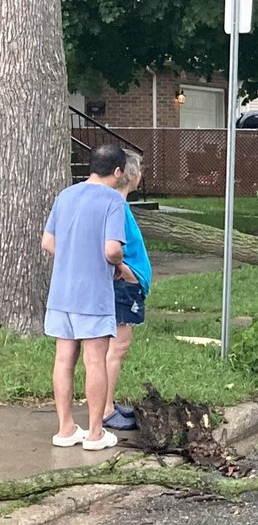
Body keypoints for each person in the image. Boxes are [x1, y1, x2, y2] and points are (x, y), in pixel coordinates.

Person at [42, 143, 128, 450]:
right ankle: (95, 433)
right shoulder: (114, 200)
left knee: (63, 359)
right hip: (92, 294)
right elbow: (112, 249)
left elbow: (48, 242)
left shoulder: (65, 195)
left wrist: (72, 255)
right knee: (94, 361)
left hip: (61, 292)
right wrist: (119, 266)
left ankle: (65, 428)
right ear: (117, 172)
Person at [102, 151, 151, 430]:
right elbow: (110, 248)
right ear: (130, 174)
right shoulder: (116, 207)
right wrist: (125, 270)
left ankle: (106, 401)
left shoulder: (120, 205)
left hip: (128, 285)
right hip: (123, 286)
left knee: (115, 347)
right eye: (140, 169)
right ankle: (106, 409)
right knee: (116, 348)